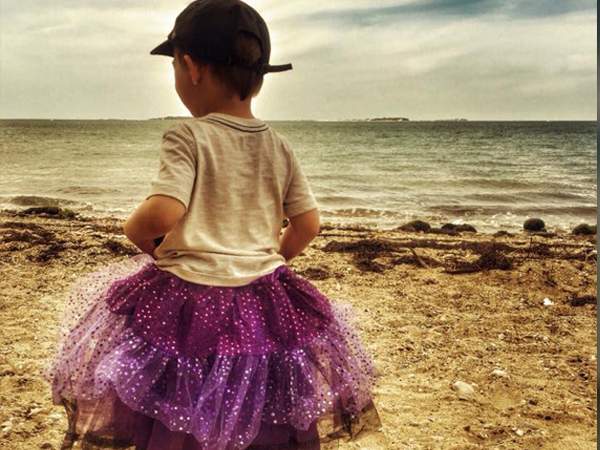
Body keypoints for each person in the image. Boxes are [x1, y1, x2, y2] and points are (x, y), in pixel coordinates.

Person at [41, 0, 383, 449]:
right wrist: (272, 259)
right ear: (259, 79)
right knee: (260, 397)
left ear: (190, 67)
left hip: (189, 298)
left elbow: (163, 212)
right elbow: (308, 223)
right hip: (262, 296)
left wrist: (137, 234)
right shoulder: (279, 145)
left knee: (180, 400)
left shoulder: (188, 134)